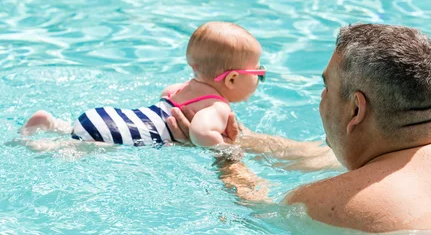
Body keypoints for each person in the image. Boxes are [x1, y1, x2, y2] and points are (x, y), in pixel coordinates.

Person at [167, 23, 431, 233]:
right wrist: (244, 140)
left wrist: (225, 157)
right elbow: (322, 156)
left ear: (356, 109)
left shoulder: (325, 202)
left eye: (326, 88)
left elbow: (257, 211)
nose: (320, 100)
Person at [20, 21, 266, 148]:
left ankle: (53, 124)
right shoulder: (218, 108)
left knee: (79, 131)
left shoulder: (178, 89)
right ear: (233, 79)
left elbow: (165, 98)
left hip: (107, 116)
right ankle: (44, 146)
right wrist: (225, 149)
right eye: (258, 72)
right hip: (116, 134)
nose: (260, 77)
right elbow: (201, 133)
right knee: (84, 150)